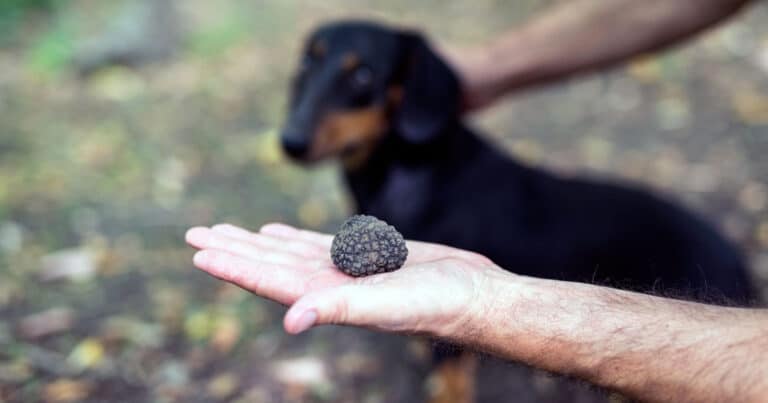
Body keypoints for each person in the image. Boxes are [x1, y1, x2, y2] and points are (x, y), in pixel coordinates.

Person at [186, 0, 768, 401]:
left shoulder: (444, 194)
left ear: (405, 92)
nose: (305, 122)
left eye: (358, 85)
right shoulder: (404, 178)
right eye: (311, 74)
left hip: (704, 273)